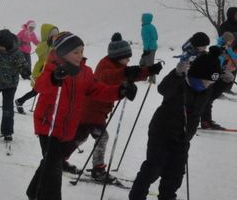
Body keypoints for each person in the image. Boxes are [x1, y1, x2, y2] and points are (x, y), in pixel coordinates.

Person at [26, 32, 135, 200]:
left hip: (67, 126)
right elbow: (41, 86)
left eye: (81, 51)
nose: (79, 55)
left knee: (52, 160)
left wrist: (119, 91)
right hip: (48, 125)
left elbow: (97, 90)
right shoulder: (53, 67)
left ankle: (34, 191)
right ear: (63, 52)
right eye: (75, 51)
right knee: (54, 164)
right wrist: (54, 78)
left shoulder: (85, 72)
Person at [128, 44, 223, 200]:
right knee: (154, 167)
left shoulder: (207, 88)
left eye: (211, 82)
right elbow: (163, 89)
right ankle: (136, 199)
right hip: (162, 130)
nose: (209, 84)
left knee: (176, 171)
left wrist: (226, 81)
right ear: (197, 75)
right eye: (206, 81)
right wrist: (177, 73)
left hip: (184, 135)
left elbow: (216, 91)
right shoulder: (181, 82)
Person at [63, 33, 163, 179]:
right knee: (101, 137)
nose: (129, 59)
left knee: (80, 136)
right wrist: (126, 73)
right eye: (126, 57)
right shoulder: (105, 66)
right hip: (92, 110)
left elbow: (128, 74)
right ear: (118, 56)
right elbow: (110, 76)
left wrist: (148, 71)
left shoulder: (117, 65)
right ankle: (98, 170)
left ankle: (60, 159)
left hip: (97, 110)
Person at [16, 23, 59, 113]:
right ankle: (20, 101)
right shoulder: (44, 44)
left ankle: (23, 101)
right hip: (40, 70)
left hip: (49, 71)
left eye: (56, 34)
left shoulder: (54, 46)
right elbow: (38, 51)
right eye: (52, 34)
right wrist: (47, 44)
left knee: (42, 90)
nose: (54, 36)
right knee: (37, 90)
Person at [200, 32, 235, 129]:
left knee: (210, 98)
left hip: (217, 73)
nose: (231, 42)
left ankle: (206, 120)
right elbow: (214, 60)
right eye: (230, 41)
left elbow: (232, 57)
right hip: (212, 75)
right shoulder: (218, 47)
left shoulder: (225, 47)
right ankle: (205, 121)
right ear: (226, 40)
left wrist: (228, 52)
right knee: (208, 99)